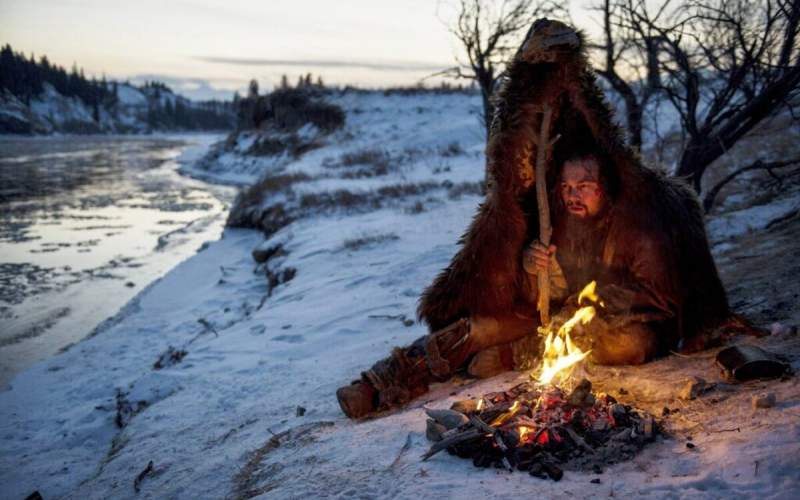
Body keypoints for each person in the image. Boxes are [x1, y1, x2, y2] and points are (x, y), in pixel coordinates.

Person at [336, 18, 735, 419]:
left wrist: (585, 308)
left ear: (605, 185)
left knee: (631, 345)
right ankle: (381, 382)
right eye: (566, 188)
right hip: (549, 319)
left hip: (617, 325)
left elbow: (658, 296)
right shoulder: (558, 215)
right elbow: (535, 293)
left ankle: (516, 354)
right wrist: (531, 267)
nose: (573, 195)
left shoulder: (638, 221)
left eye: (584, 186)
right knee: (475, 329)